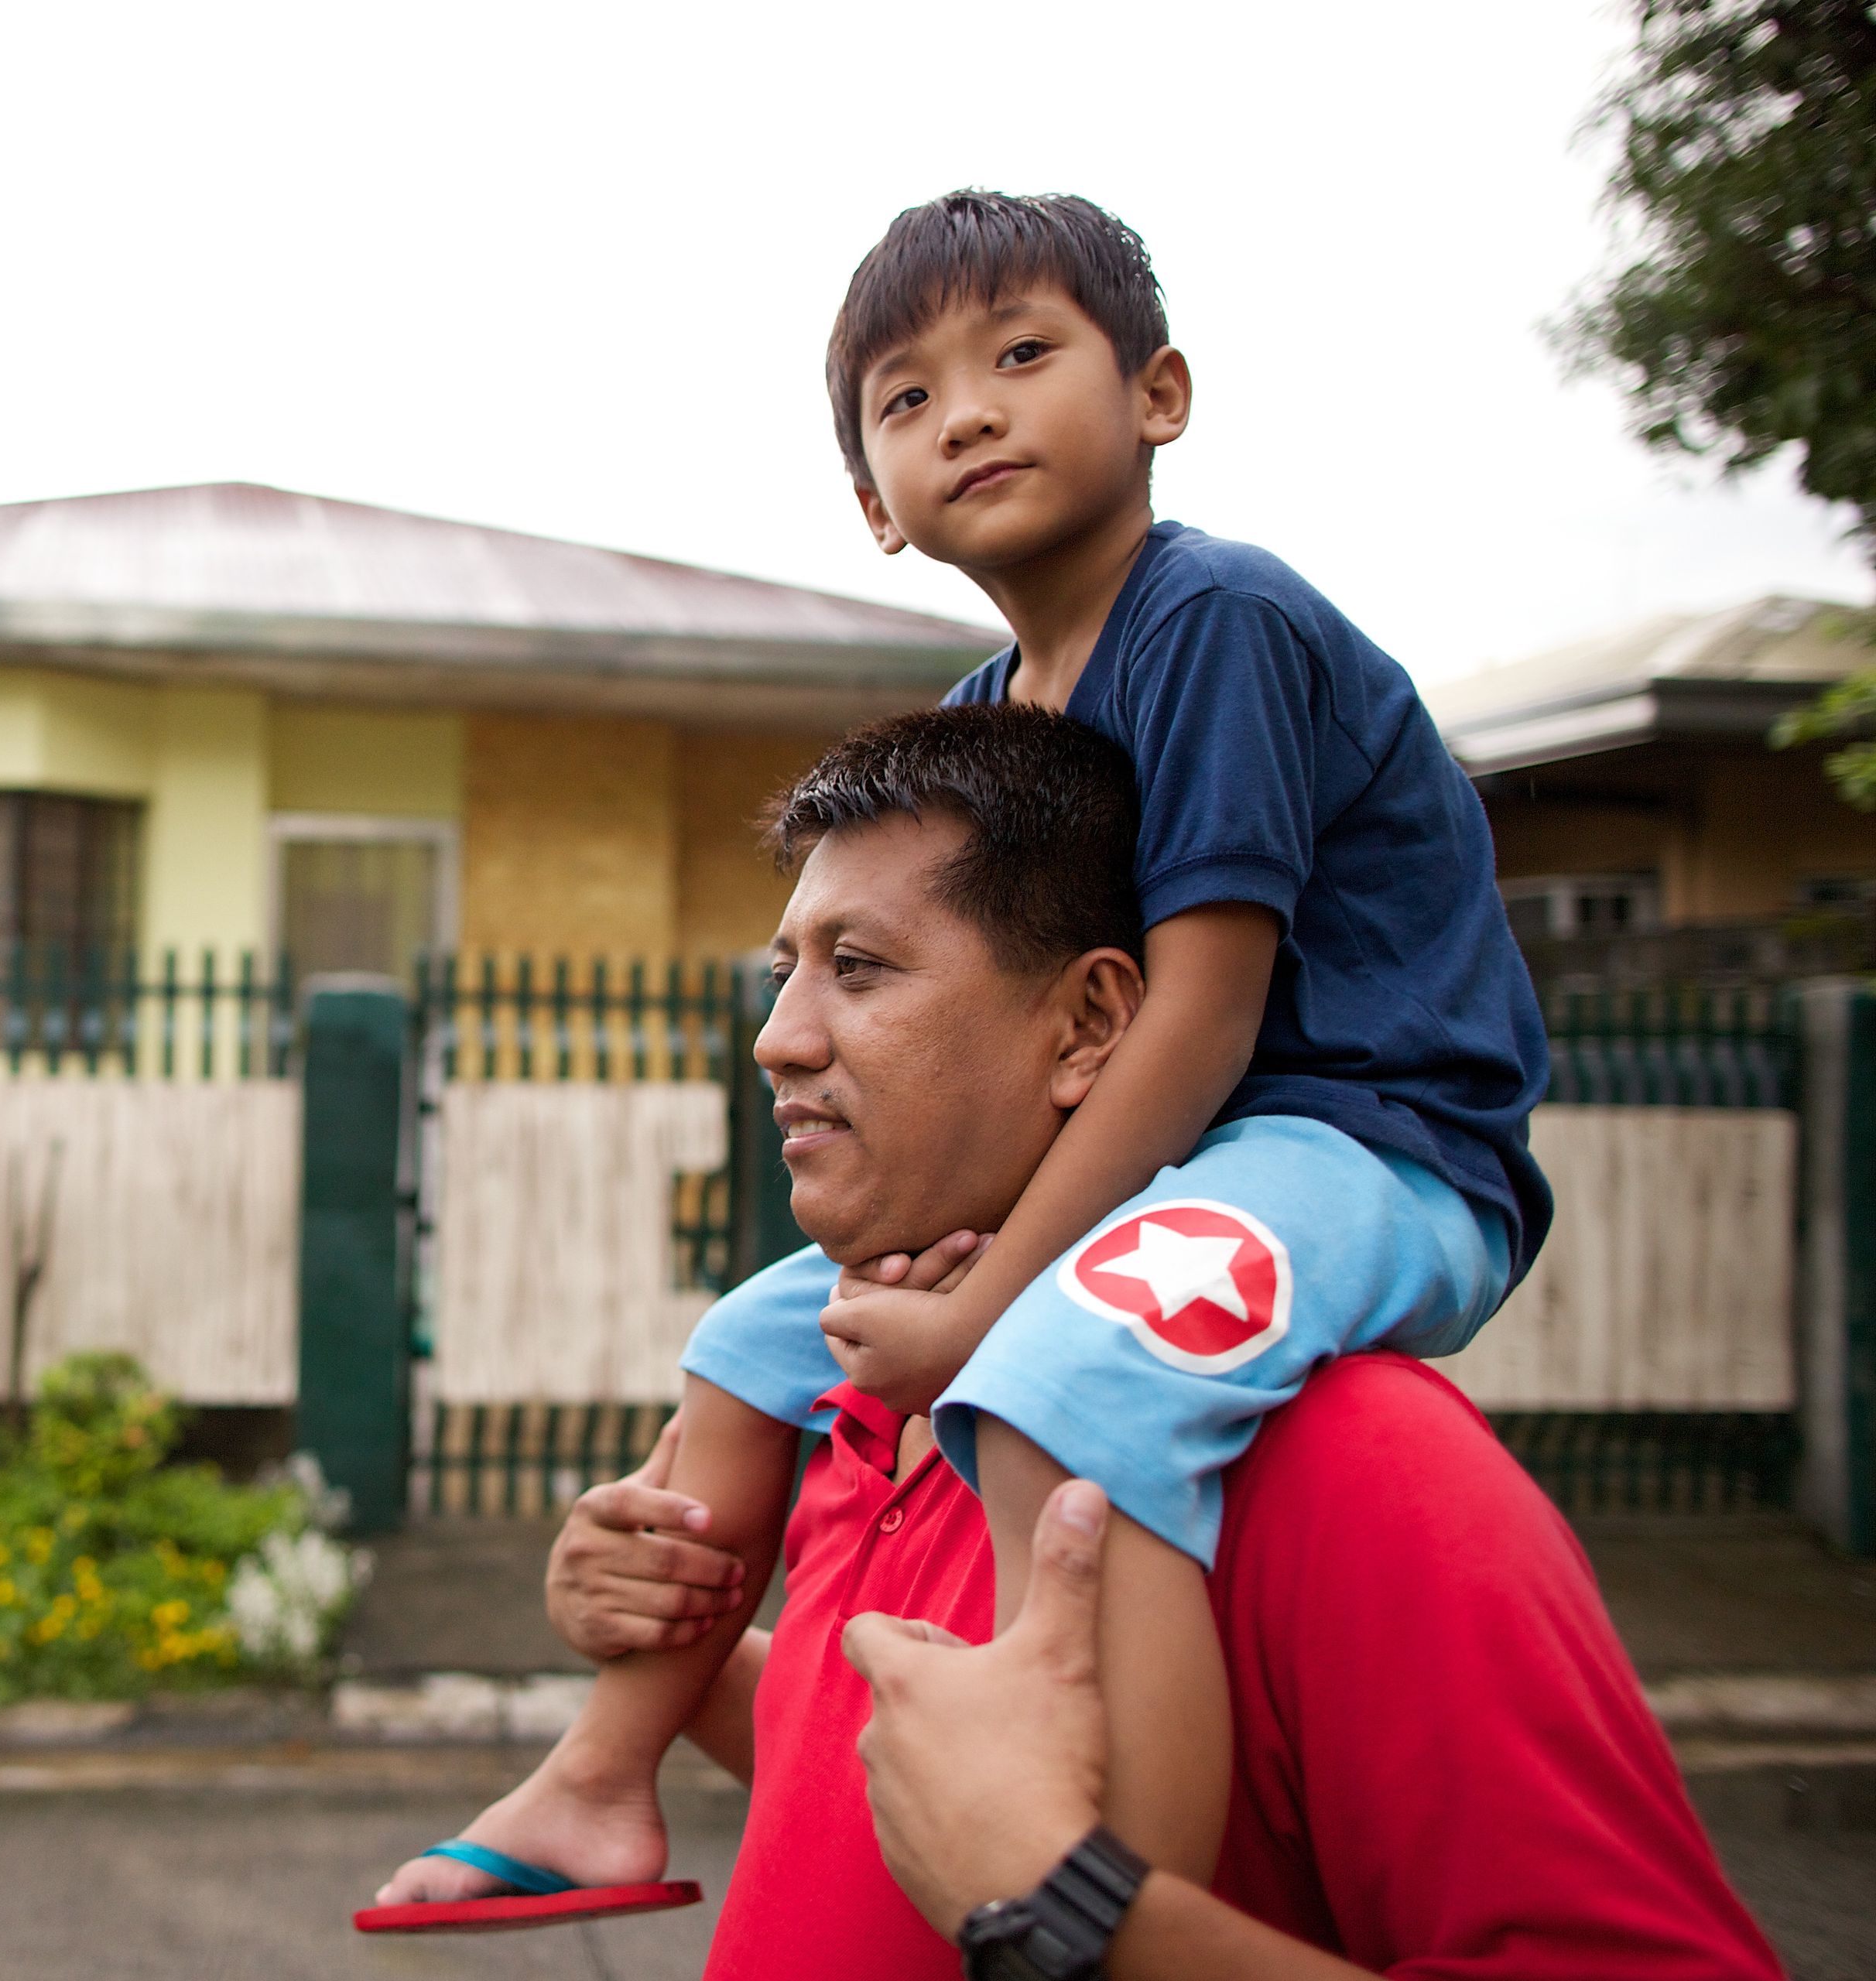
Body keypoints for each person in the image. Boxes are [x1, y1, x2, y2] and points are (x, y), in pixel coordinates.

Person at [375, 184, 1554, 1915]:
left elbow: (1199, 1012)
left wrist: (998, 1283)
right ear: (873, 499)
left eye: (1021, 353)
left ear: (1158, 392)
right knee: (758, 1330)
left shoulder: (1213, 620)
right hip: (1195, 1149)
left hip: (1362, 1139)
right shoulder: (994, 704)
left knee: (1080, 1361)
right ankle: (602, 1772)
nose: (971, 410)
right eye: (909, 398)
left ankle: (1105, 1867)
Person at [526, 710, 1775, 1976]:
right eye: (784, 969)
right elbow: (893, 1782)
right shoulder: (873, 1409)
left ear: (1088, 1026)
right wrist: (675, 1638)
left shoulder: (1348, 1462)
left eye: (859, 967)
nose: (779, 1034)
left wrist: (1080, 1912)